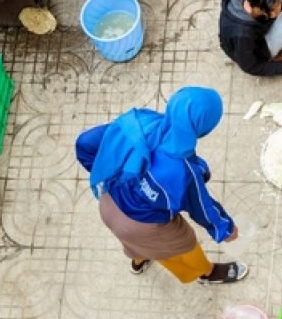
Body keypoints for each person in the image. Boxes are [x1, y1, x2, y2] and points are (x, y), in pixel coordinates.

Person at [75, 87, 248, 284]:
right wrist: (225, 228)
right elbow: (203, 208)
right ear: (202, 128)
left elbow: (85, 143)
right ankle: (206, 273)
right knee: (185, 245)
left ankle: (138, 260)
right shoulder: (184, 172)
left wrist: (105, 171)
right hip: (142, 225)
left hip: (108, 204)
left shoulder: (140, 121)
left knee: (134, 243)